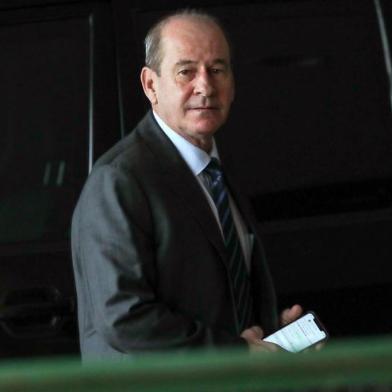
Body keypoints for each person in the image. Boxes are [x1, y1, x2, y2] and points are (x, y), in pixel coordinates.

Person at [71, 9, 302, 361]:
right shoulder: (119, 180)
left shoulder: (216, 170)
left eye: (217, 69)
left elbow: (221, 298)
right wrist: (238, 353)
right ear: (151, 85)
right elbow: (125, 318)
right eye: (186, 71)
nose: (205, 86)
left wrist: (279, 336)